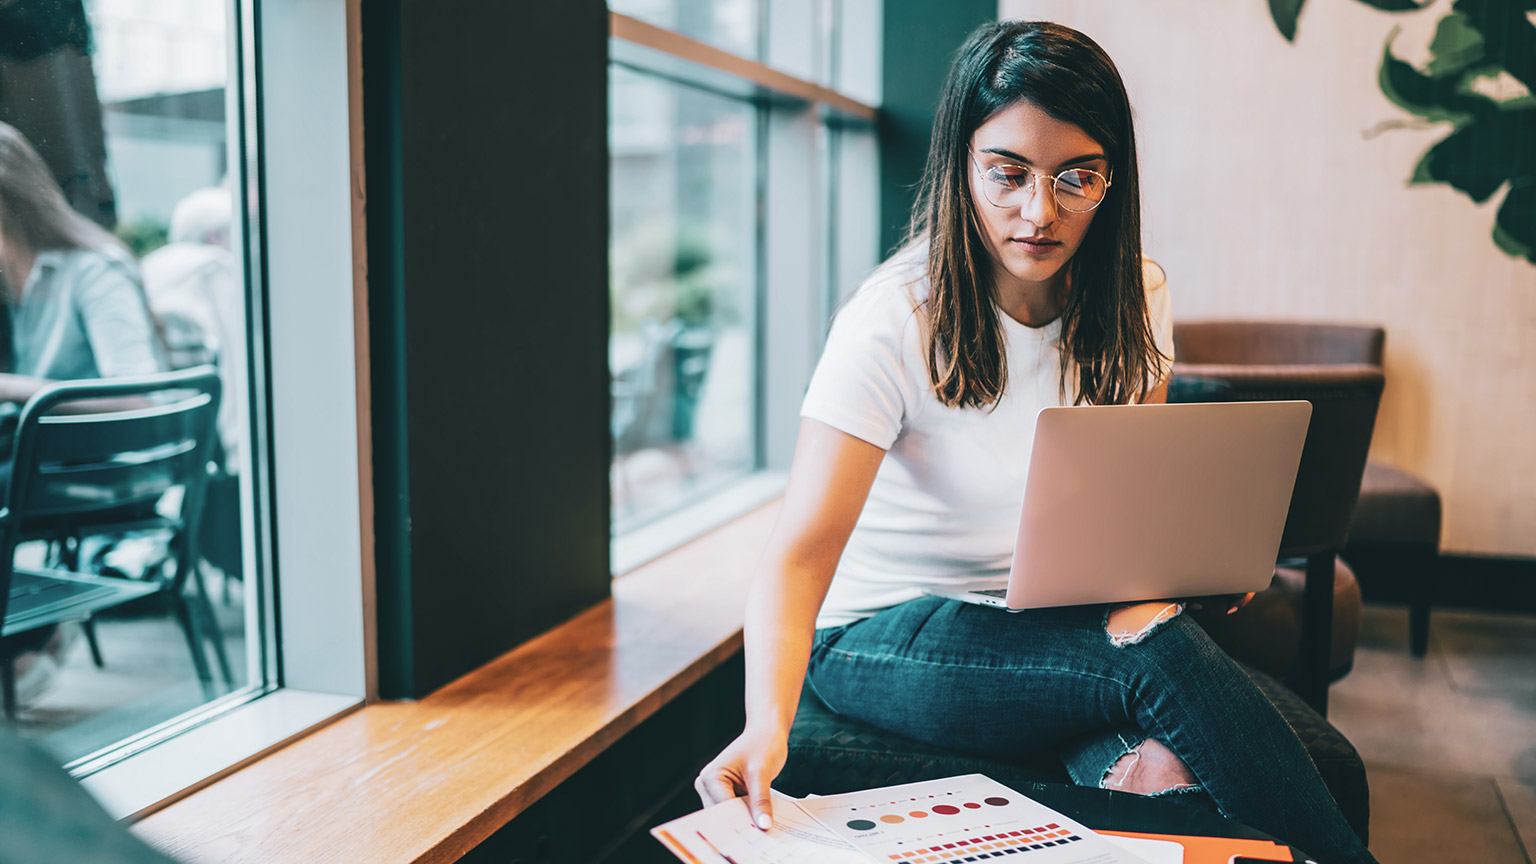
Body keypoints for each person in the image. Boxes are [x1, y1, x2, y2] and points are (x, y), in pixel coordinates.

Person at [695, 21, 1379, 864]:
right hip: (880, 630)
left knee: (1160, 766)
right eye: (1009, 173)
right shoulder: (893, 319)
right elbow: (797, 554)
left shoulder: (1137, 293)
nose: (1040, 211)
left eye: (1077, 178)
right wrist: (767, 724)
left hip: (1051, 619)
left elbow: (1135, 500)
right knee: (1147, 648)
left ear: (1112, 178)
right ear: (962, 165)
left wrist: (1194, 566)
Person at [0, 120, 164, 402]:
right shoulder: (14, 279)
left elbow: (138, 399)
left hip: (107, 445)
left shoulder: (95, 271)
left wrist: (10, 389)